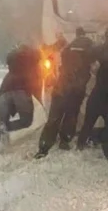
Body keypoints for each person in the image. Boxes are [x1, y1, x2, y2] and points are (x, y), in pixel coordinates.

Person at [35, 27, 93, 158]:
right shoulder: (88, 50)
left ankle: (43, 147)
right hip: (74, 92)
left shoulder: (67, 50)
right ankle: (64, 141)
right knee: (70, 117)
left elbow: (55, 52)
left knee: (53, 118)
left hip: (60, 90)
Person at [76, 27, 108, 162]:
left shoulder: (99, 49)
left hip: (98, 93)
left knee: (88, 122)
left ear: (105, 37)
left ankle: (80, 144)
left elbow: (87, 54)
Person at [0, 45, 41, 155]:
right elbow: (35, 85)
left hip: (4, 91)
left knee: (1, 120)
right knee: (26, 121)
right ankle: (5, 128)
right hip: (21, 92)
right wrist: (42, 100)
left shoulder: (11, 68)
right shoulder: (31, 66)